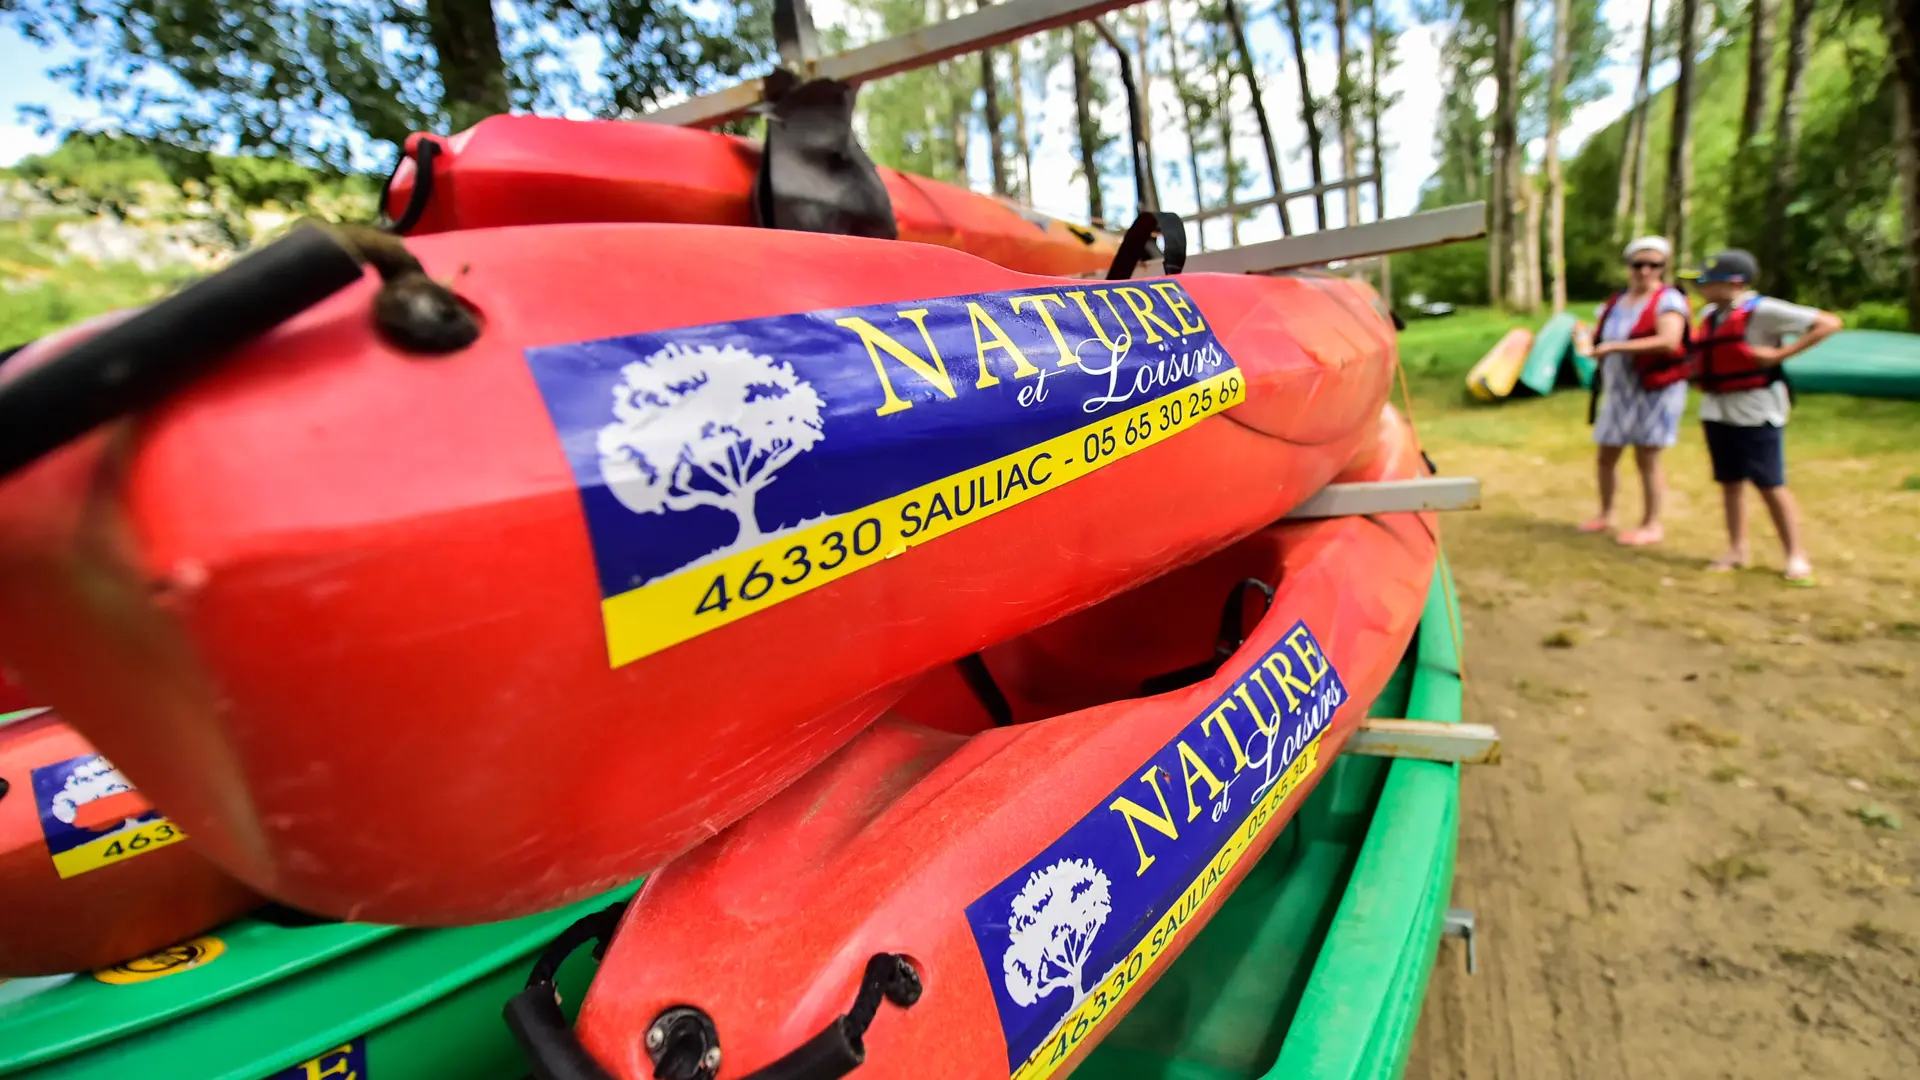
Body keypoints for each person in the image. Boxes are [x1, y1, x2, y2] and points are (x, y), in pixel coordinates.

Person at [1689, 249, 1841, 584]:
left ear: (1734, 283)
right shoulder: (1711, 314)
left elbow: (1828, 323)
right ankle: (1736, 549)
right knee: (1729, 482)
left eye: (1705, 282)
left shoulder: (1764, 310)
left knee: (1770, 484)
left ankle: (1795, 556)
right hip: (1717, 408)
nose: (1700, 288)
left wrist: (1780, 355)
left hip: (1756, 411)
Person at [1579, 236, 1692, 545]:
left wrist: (1615, 347)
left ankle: (1651, 524)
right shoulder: (1615, 302)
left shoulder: (1669, 301)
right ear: (1628, 266)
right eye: (1638, 264)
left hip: (1655, 389)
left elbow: (1670, 341)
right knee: (1606, 454)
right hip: (1618, 391)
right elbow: (1599, 334)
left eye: (1653, 265)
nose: (1645, 271)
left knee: (1647, 457)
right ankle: (1605, 514)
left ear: (1662, 267)